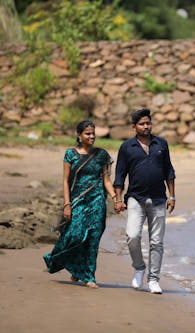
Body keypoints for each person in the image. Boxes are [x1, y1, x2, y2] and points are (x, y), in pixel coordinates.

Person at [43, 119, 116, 289]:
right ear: (79, 135)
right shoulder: (70, 154)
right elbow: (65, 181)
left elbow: (106, 180)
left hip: (97, 200)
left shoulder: (102, 155)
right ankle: (65, 264)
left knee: (93, 238)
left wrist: (115, 198)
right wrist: (67, 205)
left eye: (93, 133)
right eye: (88, 134)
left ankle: (89, 276)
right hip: (77, 200)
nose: (92, 136)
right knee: (75, 235)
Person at [113, 108, 176, 294]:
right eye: (142, 124)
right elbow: (119, 175)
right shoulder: (126, 147)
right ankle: (139, 267)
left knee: (157, 242)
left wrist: (172, 196)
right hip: (135, 198)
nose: (146, 126)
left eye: (148, 123)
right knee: (132, 236)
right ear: (134, 127)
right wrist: (118, 199)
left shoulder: (161, 144)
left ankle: (154, 279)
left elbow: (169, 172)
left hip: (158, 198)